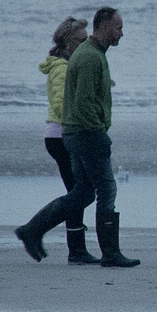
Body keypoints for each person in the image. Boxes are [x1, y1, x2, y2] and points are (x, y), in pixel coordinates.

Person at [16, 6, 139, 268]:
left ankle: (32, 230)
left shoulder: (92, 54)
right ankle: (110, 253)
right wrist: (99, 132)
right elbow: (82, 102)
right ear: (104, 26)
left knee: (83, 193)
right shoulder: (90, 57)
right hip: (85, 133)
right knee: (106, 189)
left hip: (76, 133)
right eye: (118, 27)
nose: (121, 33)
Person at [39, 16, 100, 264]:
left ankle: (75, 248)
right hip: (62, 136)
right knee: (79, 192)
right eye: (80, 40)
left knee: (79, 191)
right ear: (67, 42)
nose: (85, 45)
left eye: (86, 40)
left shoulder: (72, 66)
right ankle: (69, 246)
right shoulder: (62, 69)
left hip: (65, 135)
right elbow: (62, 104)